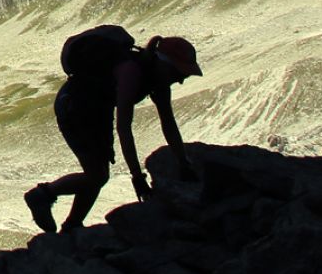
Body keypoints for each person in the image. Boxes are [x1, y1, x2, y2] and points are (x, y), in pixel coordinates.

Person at [24, 31, 204, 233]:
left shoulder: (160, 82)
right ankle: (43, 195)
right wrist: (137, 176)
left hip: (97, 109)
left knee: (98, 173)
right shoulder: (131, 72)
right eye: (179, 74)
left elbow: (168, 124)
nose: (180, 80)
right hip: (74, 106)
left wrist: (183, 162)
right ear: (164, 63)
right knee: (97, 175)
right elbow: (124, 128)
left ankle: (72, 225)